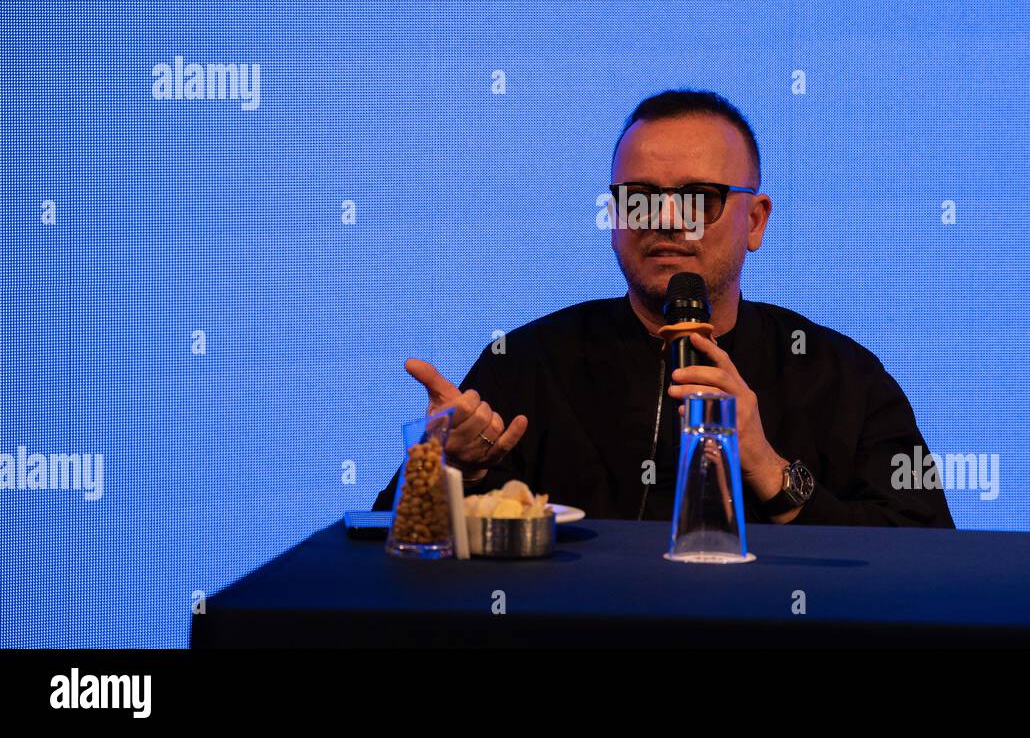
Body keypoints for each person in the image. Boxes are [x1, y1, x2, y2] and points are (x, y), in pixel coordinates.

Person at [375, 90, 955, 527]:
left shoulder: (842, 376)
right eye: (641, 198)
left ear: (755, 221)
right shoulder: (527, 362)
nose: (667, 221)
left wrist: (772, 472)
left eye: (699, 199)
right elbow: (388, 549)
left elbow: (927, 563)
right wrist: (446, 467)